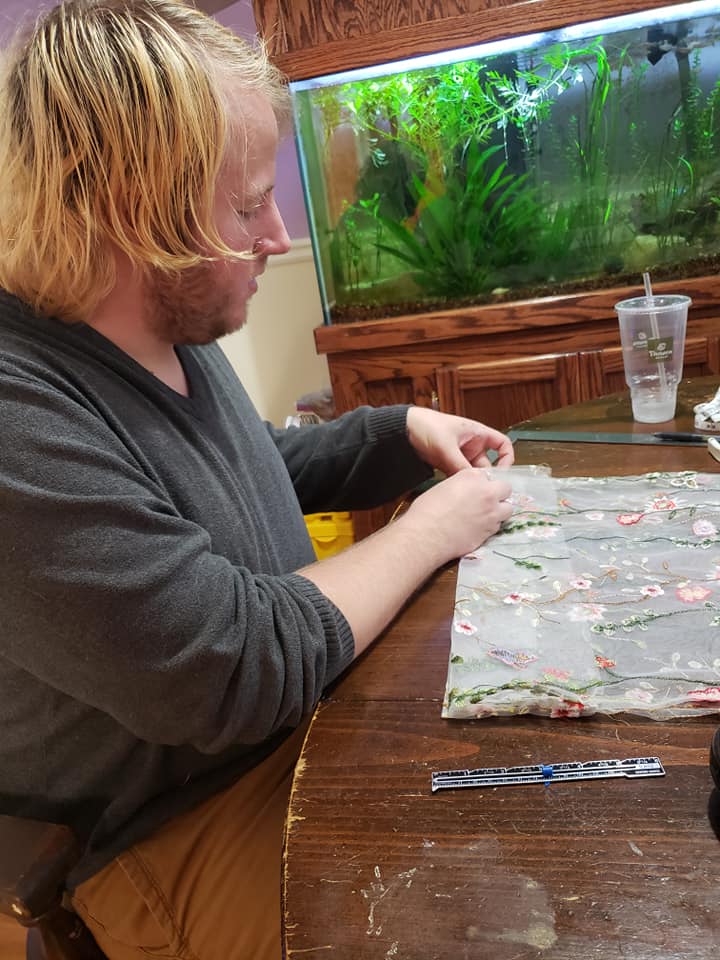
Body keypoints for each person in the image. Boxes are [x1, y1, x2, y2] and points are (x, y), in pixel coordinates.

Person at [0, 2, 514, 958]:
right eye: (245, 206)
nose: (278, 236)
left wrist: (397, 432)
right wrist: (435, 527)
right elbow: (228, 666)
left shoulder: (157, 328)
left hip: (301, 723)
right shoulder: (16, 411)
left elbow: (241, 469)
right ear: (127, 209)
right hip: (161, 834)